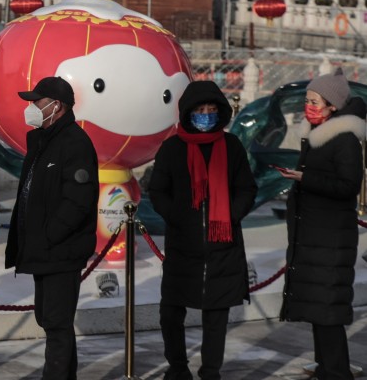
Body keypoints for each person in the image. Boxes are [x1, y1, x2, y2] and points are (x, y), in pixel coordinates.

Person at [147, 81, 258, 380]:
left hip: (223, 247)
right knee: (170, 313)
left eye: (211, 110)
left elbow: (246, 188)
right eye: (200, 110)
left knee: (216, 317)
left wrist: (231, 215)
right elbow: (157, 190)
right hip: (183, 245)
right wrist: (176, 216)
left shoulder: (231, 146)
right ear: (187, 113)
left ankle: (211, 372)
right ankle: (178, 368)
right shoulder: (172, 148)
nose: (206, 115)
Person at [6, 75, 98, 380]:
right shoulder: (42, 140)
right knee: (50, 320)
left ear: (56, 106)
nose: (31, 108)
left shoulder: (75, 143)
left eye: (37, 102)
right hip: (43, 250)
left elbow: (78, 200)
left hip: (60, 251)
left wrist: (49, 235)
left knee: (57, 324)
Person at [278, 69, 364, 380]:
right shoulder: (317, 136)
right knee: (319, 309)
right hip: (316, 236)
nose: (308, 106)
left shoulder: (344, 140)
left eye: (315, 101)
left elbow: (347, 186)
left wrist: (305, 178)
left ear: (333, 105)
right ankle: (327, 369)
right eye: (307, 100)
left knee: (328, 312)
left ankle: (336, 372)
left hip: (330, 240)